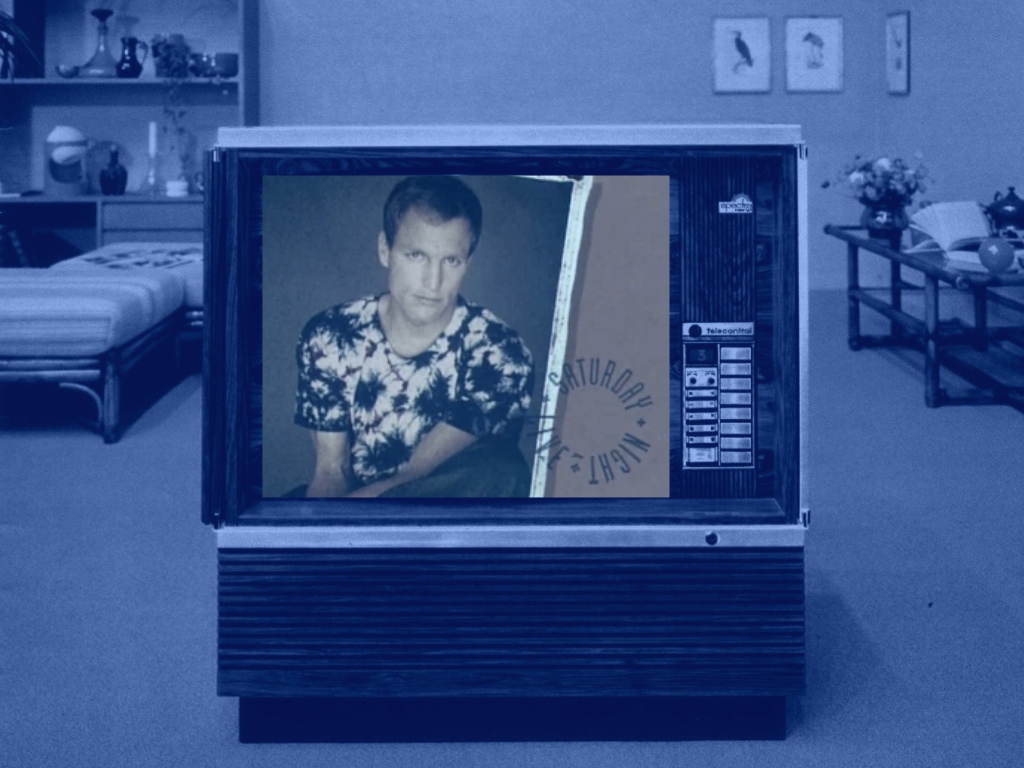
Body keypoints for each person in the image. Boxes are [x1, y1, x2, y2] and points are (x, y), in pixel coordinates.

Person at [292, 176, 534, 498]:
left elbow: (415, 477)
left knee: (504, 470)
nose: (433, 282)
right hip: (358, 501)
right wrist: (322, 523)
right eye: (416, 255)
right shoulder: (331, 335)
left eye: (451, 261)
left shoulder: (501, 353)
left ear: (468, 264)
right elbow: (331, 472)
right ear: (385, 250)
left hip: (442, 506)